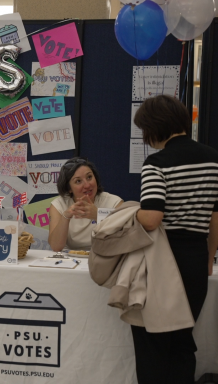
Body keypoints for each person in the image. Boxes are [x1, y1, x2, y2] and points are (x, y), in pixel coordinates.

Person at [132, 95, 218, 384]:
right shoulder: (212, 158)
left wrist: (130, 213)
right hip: (195, 260)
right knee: (183, 342)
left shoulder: (157, 162)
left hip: (162, 262)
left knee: (152, 344)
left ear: (155, 128)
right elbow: (215, 217)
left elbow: (152, 217)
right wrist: (208, 258)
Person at [48, 157, 122, 251]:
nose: (87, 185)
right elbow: (56, 247)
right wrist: (66, 216)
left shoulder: (114, 202)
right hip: (70, 259)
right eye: (78, 181)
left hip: (105, 257)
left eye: (89, 177)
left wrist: (98, 215)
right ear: (69, 189)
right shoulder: (59, 205)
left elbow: (126, 238)